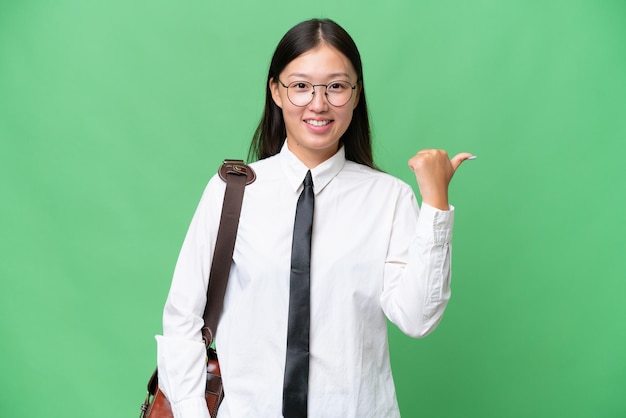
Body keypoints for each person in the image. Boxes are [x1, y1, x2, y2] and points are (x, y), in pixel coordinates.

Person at [155, 18, 474, 418]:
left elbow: (417, 318)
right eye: (301, 86)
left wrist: (436, 205)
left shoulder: (388, 198)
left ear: (356, 95)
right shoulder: (233, 191)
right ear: (276, 91)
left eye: (336, 86)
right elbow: (183, 320)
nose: (319, 103)